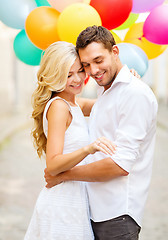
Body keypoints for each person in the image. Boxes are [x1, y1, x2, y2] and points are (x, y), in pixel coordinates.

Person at [44, 26, 158, 240]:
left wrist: (63, 175)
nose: (93, 71)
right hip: (94, 210)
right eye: (86, 65)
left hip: (117, 214)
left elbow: (120, 165)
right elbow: (78, 106)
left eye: (98, 60)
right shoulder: (107, 90)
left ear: (115, 52)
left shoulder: (134, 93)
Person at [24, 41, 116, 240]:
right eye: (68, 75)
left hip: (76, 199)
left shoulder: (74, 103)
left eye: (80, 70)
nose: (77, 79)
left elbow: (110, 104)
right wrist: (88, 149)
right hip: (62, 204)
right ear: (55, 76)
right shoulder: (59, 107)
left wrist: (126, 80)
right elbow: (53, 164)